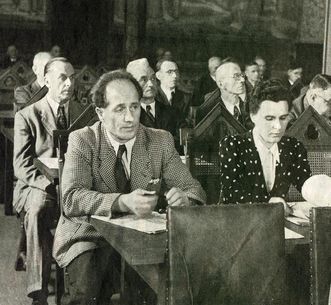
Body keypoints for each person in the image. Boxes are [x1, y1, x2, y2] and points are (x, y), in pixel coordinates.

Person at [52, 70, 206, 304]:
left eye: (135, 107)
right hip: (90, 235)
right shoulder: (82, 140)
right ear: (100, 113)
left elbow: (193, 188)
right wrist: (122, 201)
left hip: (142, 238)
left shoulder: (160, 140)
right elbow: (72, 199)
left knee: (165, 289)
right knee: (86, 293)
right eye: (120, 109)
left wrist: (186, 200)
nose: (130, 118)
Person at [13, 57, 89, 305]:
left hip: (76, 184)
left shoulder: (84, 114)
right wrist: (50, 185)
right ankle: (39, 292)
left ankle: (89, 288)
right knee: (37, 211)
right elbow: (22, 165)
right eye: (63, 78)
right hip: (39, 184)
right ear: (46, 81)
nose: (69, 83)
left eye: (72, 77)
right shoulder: (27, 115)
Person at [219, 79, 311, 213]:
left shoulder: (293, 147)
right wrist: (268, 203)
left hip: (277, 225)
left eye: (283, 118)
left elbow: (306, 184)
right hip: (237, 223)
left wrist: (322, 191)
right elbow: (231, 194)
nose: (278, 127)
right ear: (253, 116)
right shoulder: (233, 146)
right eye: (270, 118)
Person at [126, 58, 181, 150]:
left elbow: (183, 141)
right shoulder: (126, 114)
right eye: (144, 80)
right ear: (131, 84)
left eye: (153, 78)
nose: (151, 84)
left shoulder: (173, 112)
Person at [195, 59, 251, 129]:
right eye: (236, 76)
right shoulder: (206, 111)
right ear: (221, 84)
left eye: (242, 75)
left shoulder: (252, 108)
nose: (242, 80)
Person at [155, 58, 191, 125]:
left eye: (176, 71)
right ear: (158, 76)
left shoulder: (186, 98)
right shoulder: (152, 97)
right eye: (169, 72)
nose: (175, 76)